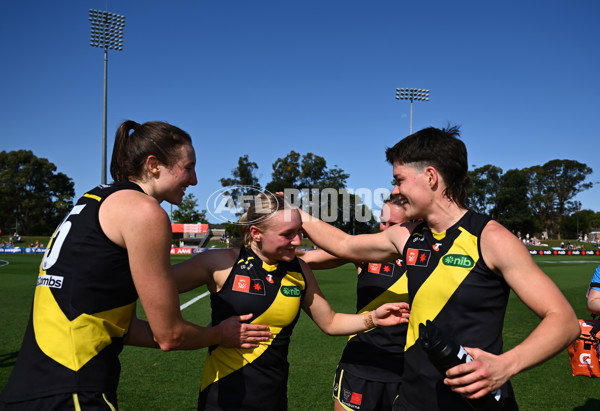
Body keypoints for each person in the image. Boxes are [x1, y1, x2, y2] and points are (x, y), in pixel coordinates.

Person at [299, 125, 579, 410]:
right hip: (411, 400)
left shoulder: (491, 238)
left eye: (399, 180)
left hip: (476, 404)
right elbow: (345, 244)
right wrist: (294, 214)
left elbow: (564, 320)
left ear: (431, 177)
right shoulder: (407, 235)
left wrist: (506, 365)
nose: (395, 190)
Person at [0, 120, 270, 411]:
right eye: (188, 167)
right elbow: (170, 335)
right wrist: (220, 334)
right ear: (153, 165)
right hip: (73, 389)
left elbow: (123, 328)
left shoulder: (94, 198)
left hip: (28, 387)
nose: (193, 180)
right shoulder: (145, 212)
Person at [171, 193, 410, 411]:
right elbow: (154, 285)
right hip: (221, 398)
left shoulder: (300, 270)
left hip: (273, 398)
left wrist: (373, 318)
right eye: (287, 234)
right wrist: (214, 334)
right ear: (256, 233)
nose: (297, 241)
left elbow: (330, 321)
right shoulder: (220, 263)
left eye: (299, 232)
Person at [298, 195, 409, 411]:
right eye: (382, 221)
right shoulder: (367, 251)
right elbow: (306, 258)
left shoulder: (430, 260)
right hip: (361, 365)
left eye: (393, 224)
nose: (385, 228)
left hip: (409, 369)